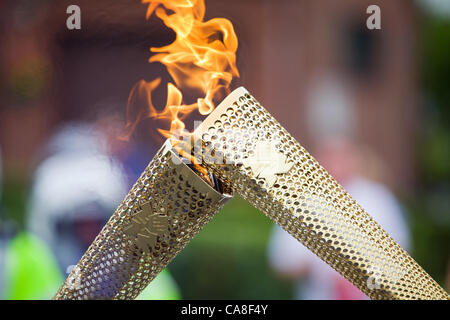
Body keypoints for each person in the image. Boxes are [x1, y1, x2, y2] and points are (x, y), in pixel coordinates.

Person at [26, 122, 180, 299]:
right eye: (79, 227)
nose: (91, 238)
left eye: (97, 225)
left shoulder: (145, 275)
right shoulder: (30, 267)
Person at [268, 137, 411, 300]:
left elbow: (401, 251)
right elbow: (281, 262)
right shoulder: (300, 202)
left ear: (354, 159)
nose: (336, 162)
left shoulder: (378, 198)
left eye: (342, 156)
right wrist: (320, 269)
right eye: (329, 155)